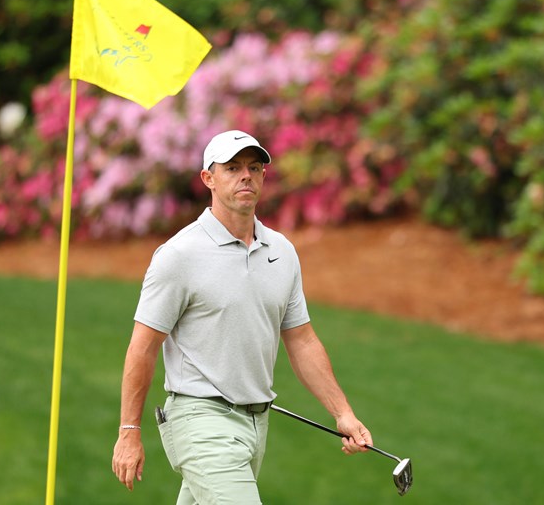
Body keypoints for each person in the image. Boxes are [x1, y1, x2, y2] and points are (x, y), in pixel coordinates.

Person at [111, 130, 372, 503]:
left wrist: (342, 412)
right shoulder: (179, 255)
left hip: (255, 424)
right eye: (232, 168)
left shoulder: (281, 252)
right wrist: (128, 431)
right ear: (208, 179)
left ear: (265, 176)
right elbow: (143, 346)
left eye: (254, 167)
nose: (245, 175)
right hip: (199, 419)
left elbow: (301, 339)